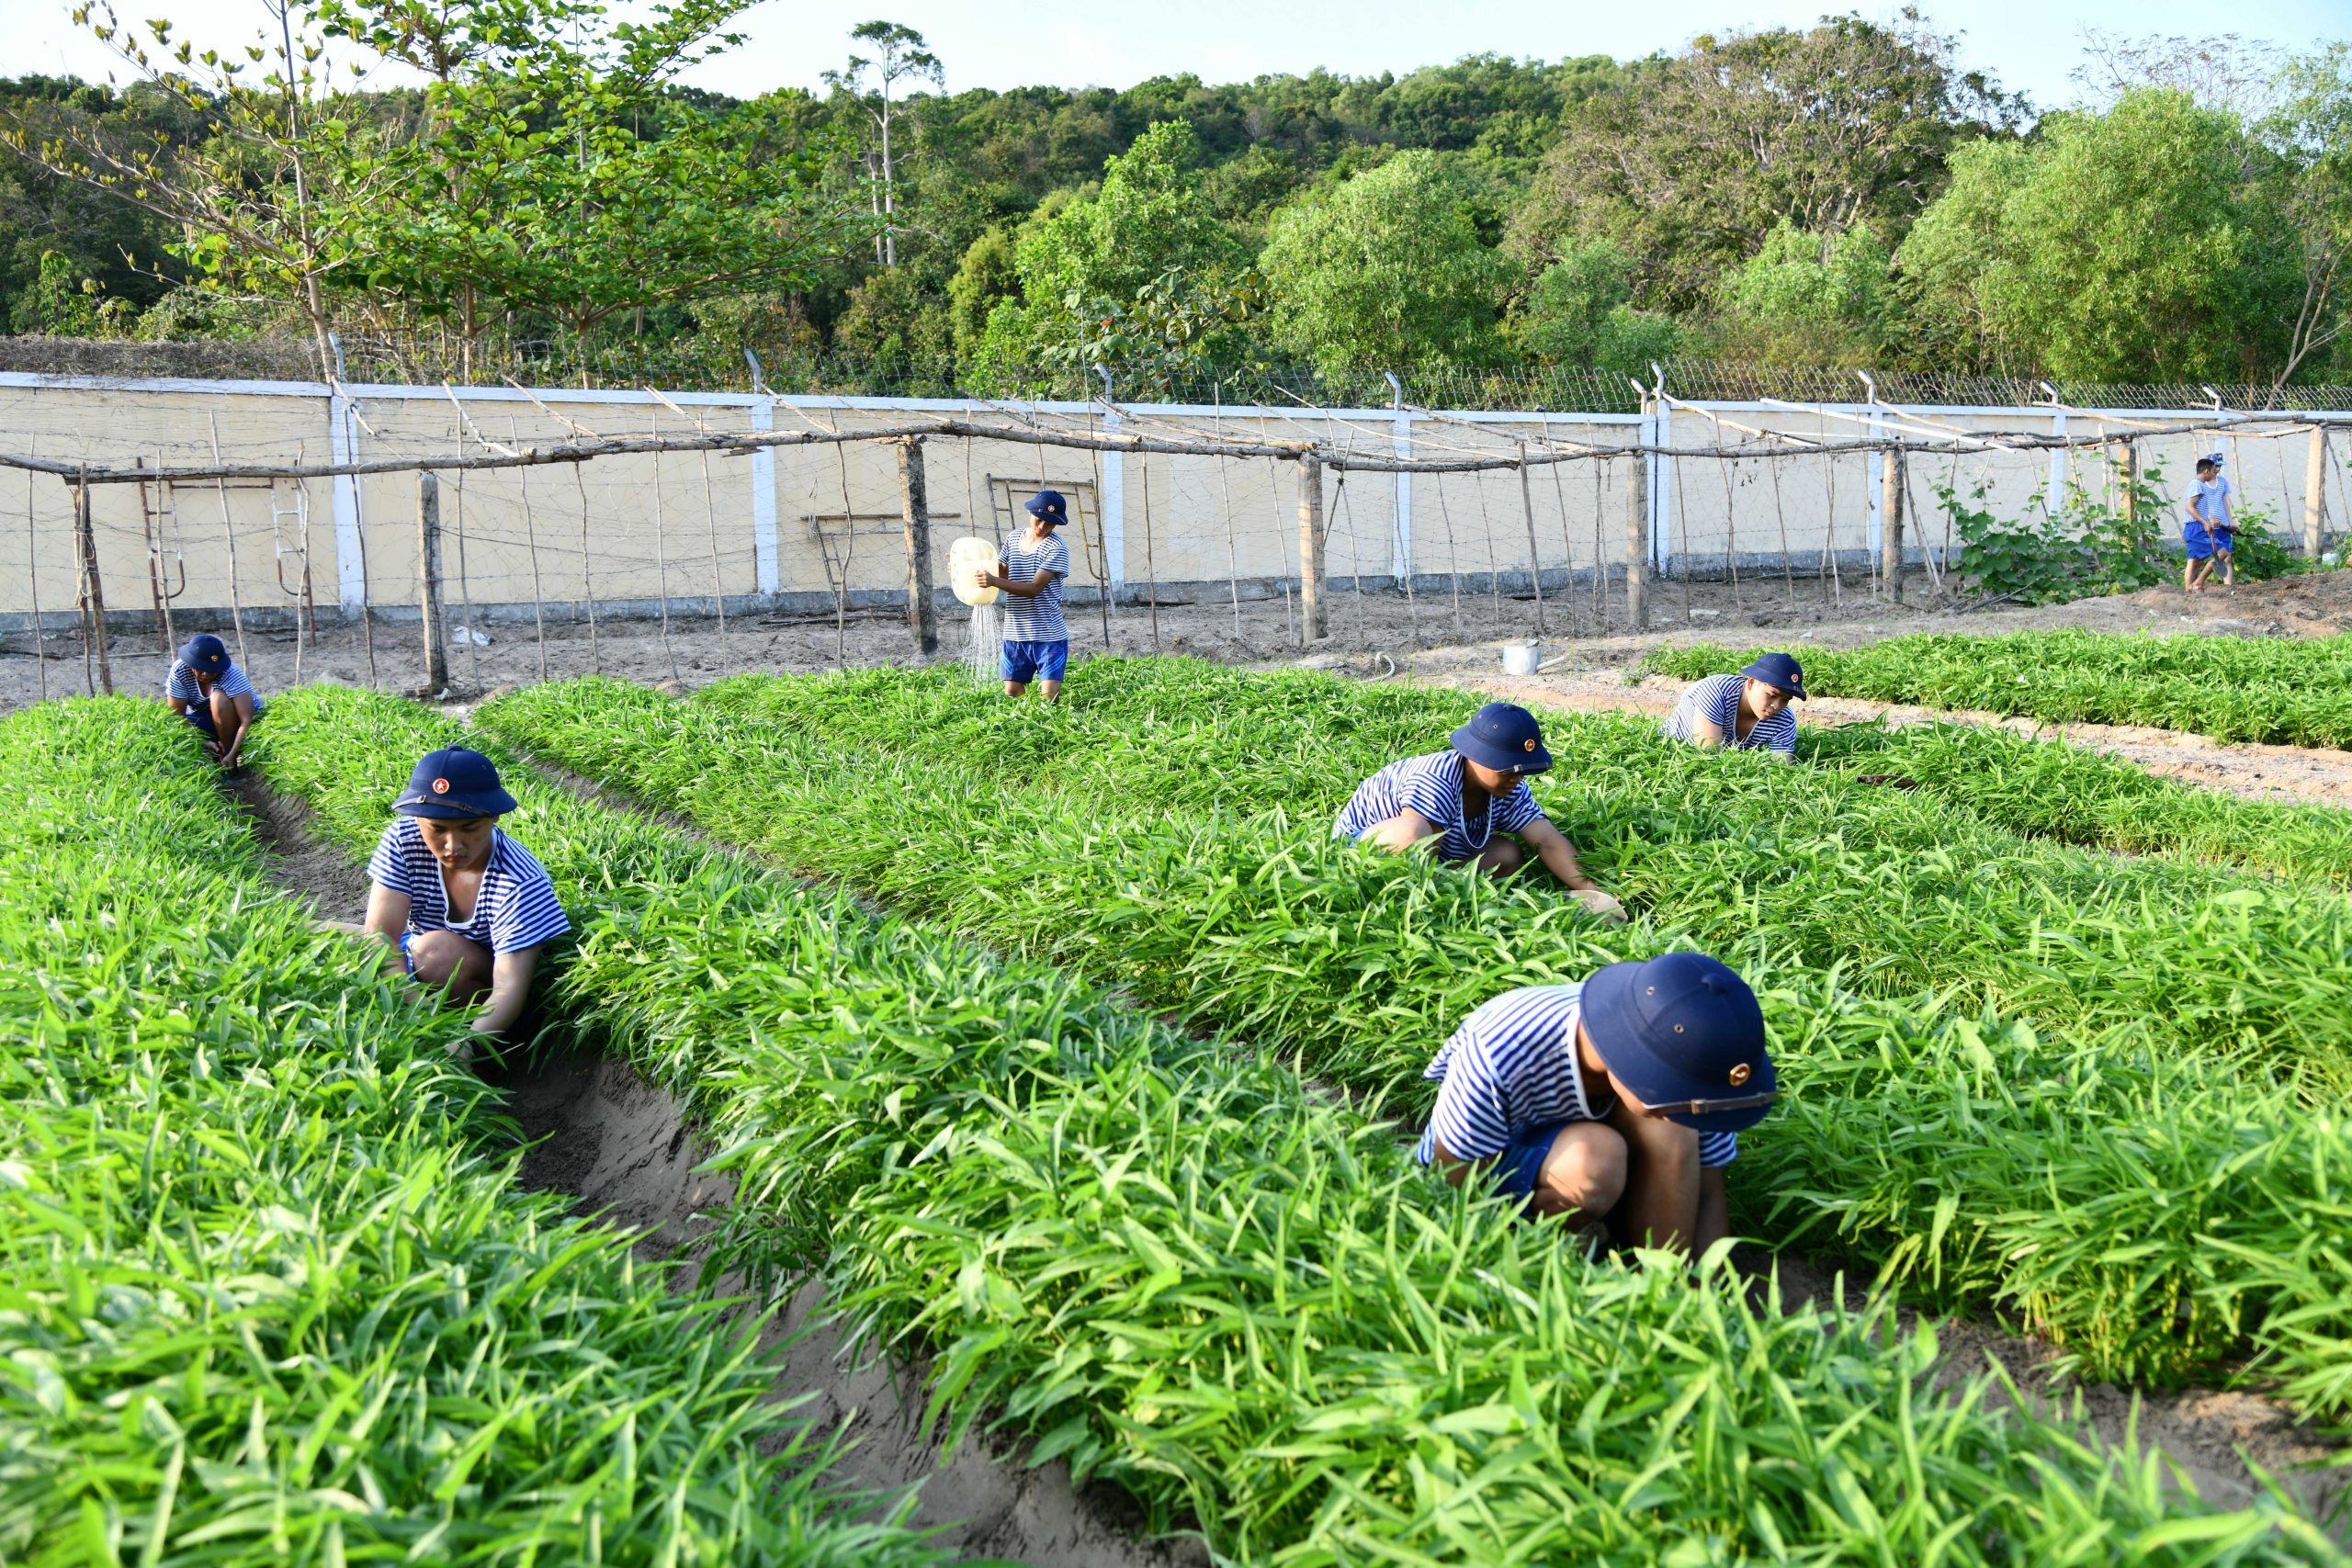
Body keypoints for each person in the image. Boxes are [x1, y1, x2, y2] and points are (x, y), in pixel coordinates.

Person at [1419, 952, 1778, 1256]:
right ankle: (1547, 1253)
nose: (1687, 1106)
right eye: (1678, 1094)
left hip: (1597, 1151)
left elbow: (1708, 1188)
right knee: (1595, 1160)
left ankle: (1666, 1285)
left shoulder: (1696, 1054)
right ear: (1637, 1065)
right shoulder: (1501, 1049)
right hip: (1492, 1161)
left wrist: (1709, 1294)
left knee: (1677, 1131)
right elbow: (1452, 1187)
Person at [1334, 701, 1621, 917]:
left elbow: (1546, 840)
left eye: (1521, 772)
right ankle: (1416, 907)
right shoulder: (1436, 778)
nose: (1515, 778)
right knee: (1413, 831)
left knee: (1507, 855)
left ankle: (1455, 897)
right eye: (1508, 770)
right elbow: (1420, 847)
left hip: (1435, 858)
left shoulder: (1509, 788)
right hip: (1359, 853)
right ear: (1478, 757)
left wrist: (1593, 892)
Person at [361, 747, 570, 1043]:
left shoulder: (519, 881)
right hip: (414, 949)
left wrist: (466, 1046)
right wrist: (415, 1015)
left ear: (494, 817)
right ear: (418, 818)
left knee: (436, 953)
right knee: (315, 934)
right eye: (437, 829)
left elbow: (508, 987)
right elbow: (380, 937)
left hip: (487, 983)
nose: (452, 846)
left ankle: (474, 1043)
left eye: (469, 828)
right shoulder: (403, 840)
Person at [976, 488, 1071, 702]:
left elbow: (1034, 589)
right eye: (1039, 520)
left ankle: (1051, 731)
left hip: (1048, 635)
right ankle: (1024, 728)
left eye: (1050, 523)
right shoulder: (1014, 538)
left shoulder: (1057, 547)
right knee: (1012, 692)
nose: (1043, 526)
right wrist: (967, 566)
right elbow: (1002, 571)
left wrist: (994, 581)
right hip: (1016, 633)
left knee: (1048, 696)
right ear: (1031, 513)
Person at [1663, 652, 1804, 761]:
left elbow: (1781, 771)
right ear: (1751, 682)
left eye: (1785, 700)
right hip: (1670, 757)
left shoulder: (1785, 719)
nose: (1777, 706)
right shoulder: (1714, 692)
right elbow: (1709, 759)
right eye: (1772, 695)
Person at [164, 632, 262, 767]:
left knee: (218, 698)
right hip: (206, 718)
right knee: (171, 730)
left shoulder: (231, 674)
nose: (205, 674)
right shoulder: (180, 670)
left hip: (239, 719)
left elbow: (246, 720)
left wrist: (231, 754)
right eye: (201, 669)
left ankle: (227, 757)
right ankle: (211, 756)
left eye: (211, 670)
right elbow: (177, 715)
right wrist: (202, 742)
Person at [2184, 453, 2236, 592]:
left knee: (2195, 560)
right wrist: (2206, 522)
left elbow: (2222, 501)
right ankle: (2198, 583)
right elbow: (2189, 507)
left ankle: (2189, 591)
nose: (2215, 473)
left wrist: (2229, 521)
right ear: (2206, 470)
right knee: (2222, 552)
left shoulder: (2205, 484)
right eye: (2214, 470)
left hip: (2200, 526)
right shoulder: (2197, 485)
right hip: (2197, 527)